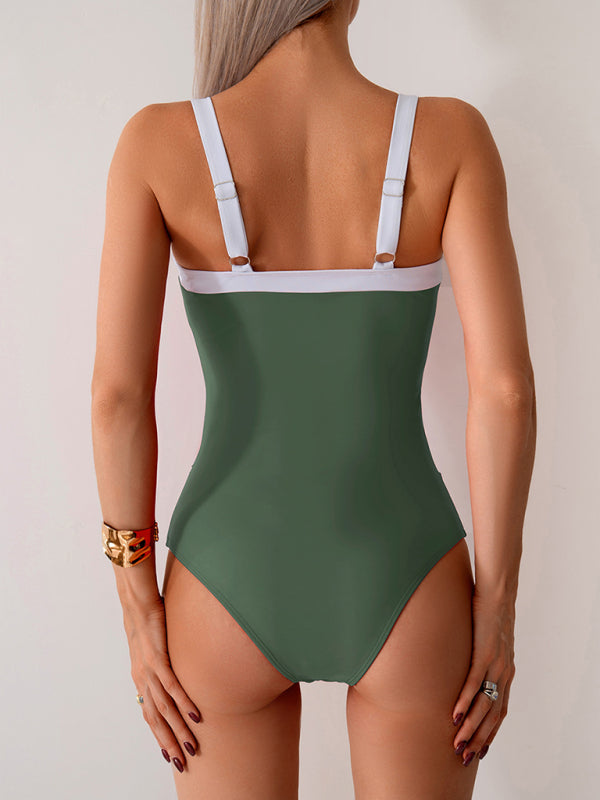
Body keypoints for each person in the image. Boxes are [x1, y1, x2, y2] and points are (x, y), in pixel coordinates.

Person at [91, 0, 536, 797]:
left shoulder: (158, 144)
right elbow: (503, 392)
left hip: (223, 577)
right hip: (407, 570)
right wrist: (497, 607)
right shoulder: (450, 137)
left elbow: (118, 399)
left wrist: (136, 601)